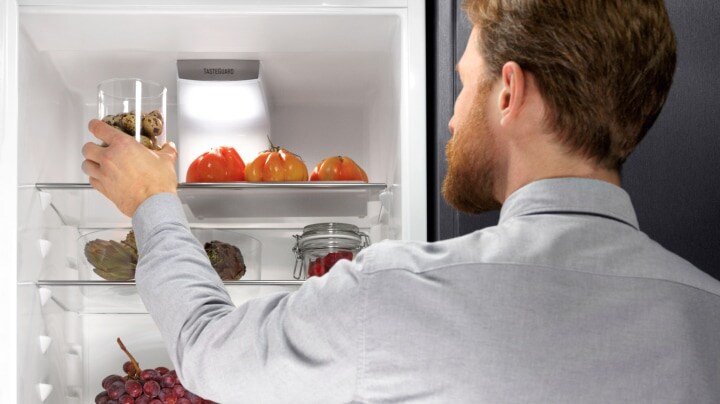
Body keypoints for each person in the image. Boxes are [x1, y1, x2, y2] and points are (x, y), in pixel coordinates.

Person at [82, 0, 720, 402]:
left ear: (509, 94)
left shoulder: (398, 293)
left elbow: (208, 350)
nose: (451, 118)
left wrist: (153, 200)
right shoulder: (709, 317)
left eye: (465, 85)